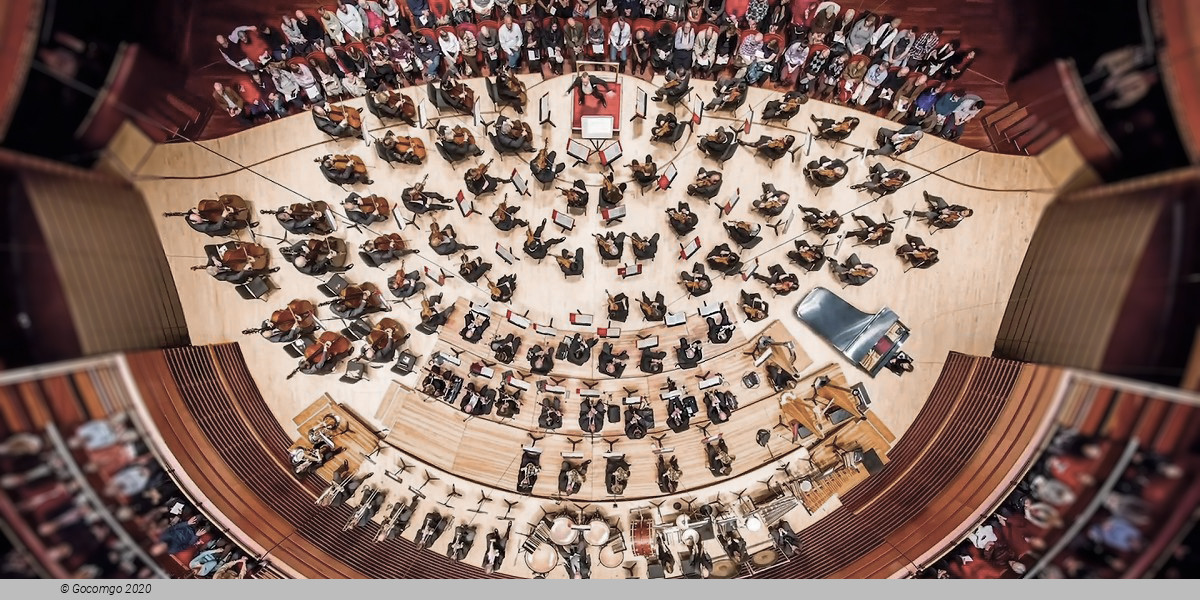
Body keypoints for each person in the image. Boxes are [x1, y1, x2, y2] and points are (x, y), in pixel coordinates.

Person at [904, 191, 973, 229]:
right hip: (945, 210)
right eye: (964, 211)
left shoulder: (953, 223)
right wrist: (947, 209)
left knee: (927, 214)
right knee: (940, 200)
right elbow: (954, 206)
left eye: (964, 213)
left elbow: (941, 225)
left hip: (937, 218)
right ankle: (928, 197)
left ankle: (912, 213)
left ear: (964, 216)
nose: (963, 211)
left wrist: (942, 218)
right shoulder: (962, 208)